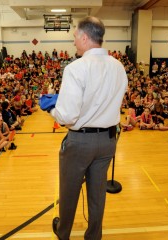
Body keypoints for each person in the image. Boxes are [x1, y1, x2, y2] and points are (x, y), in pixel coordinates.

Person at [47, 17, 128, 240]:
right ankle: (94, 236)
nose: (74, 42)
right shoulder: (119, 66)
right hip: (108, 139)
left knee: (69, 191)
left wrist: (52, 108)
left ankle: (63, 233)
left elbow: (67, 117)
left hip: (81, 141)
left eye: (74, 37)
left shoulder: (75, 68)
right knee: (97, 192)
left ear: (84, 37)